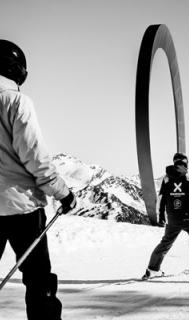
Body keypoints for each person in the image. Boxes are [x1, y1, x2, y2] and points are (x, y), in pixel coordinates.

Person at [0, 39, 76, 320]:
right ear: (16, 70)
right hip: (22, 208)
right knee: (38, 279)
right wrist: (63, 193)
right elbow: (36, 158)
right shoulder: (16, 101)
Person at [142, 153, 189, 283]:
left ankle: (151, 270)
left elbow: (161, 199)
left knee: (164, 244)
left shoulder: (166, 179)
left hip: (172, 220)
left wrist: (160, 216)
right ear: (186, 163)